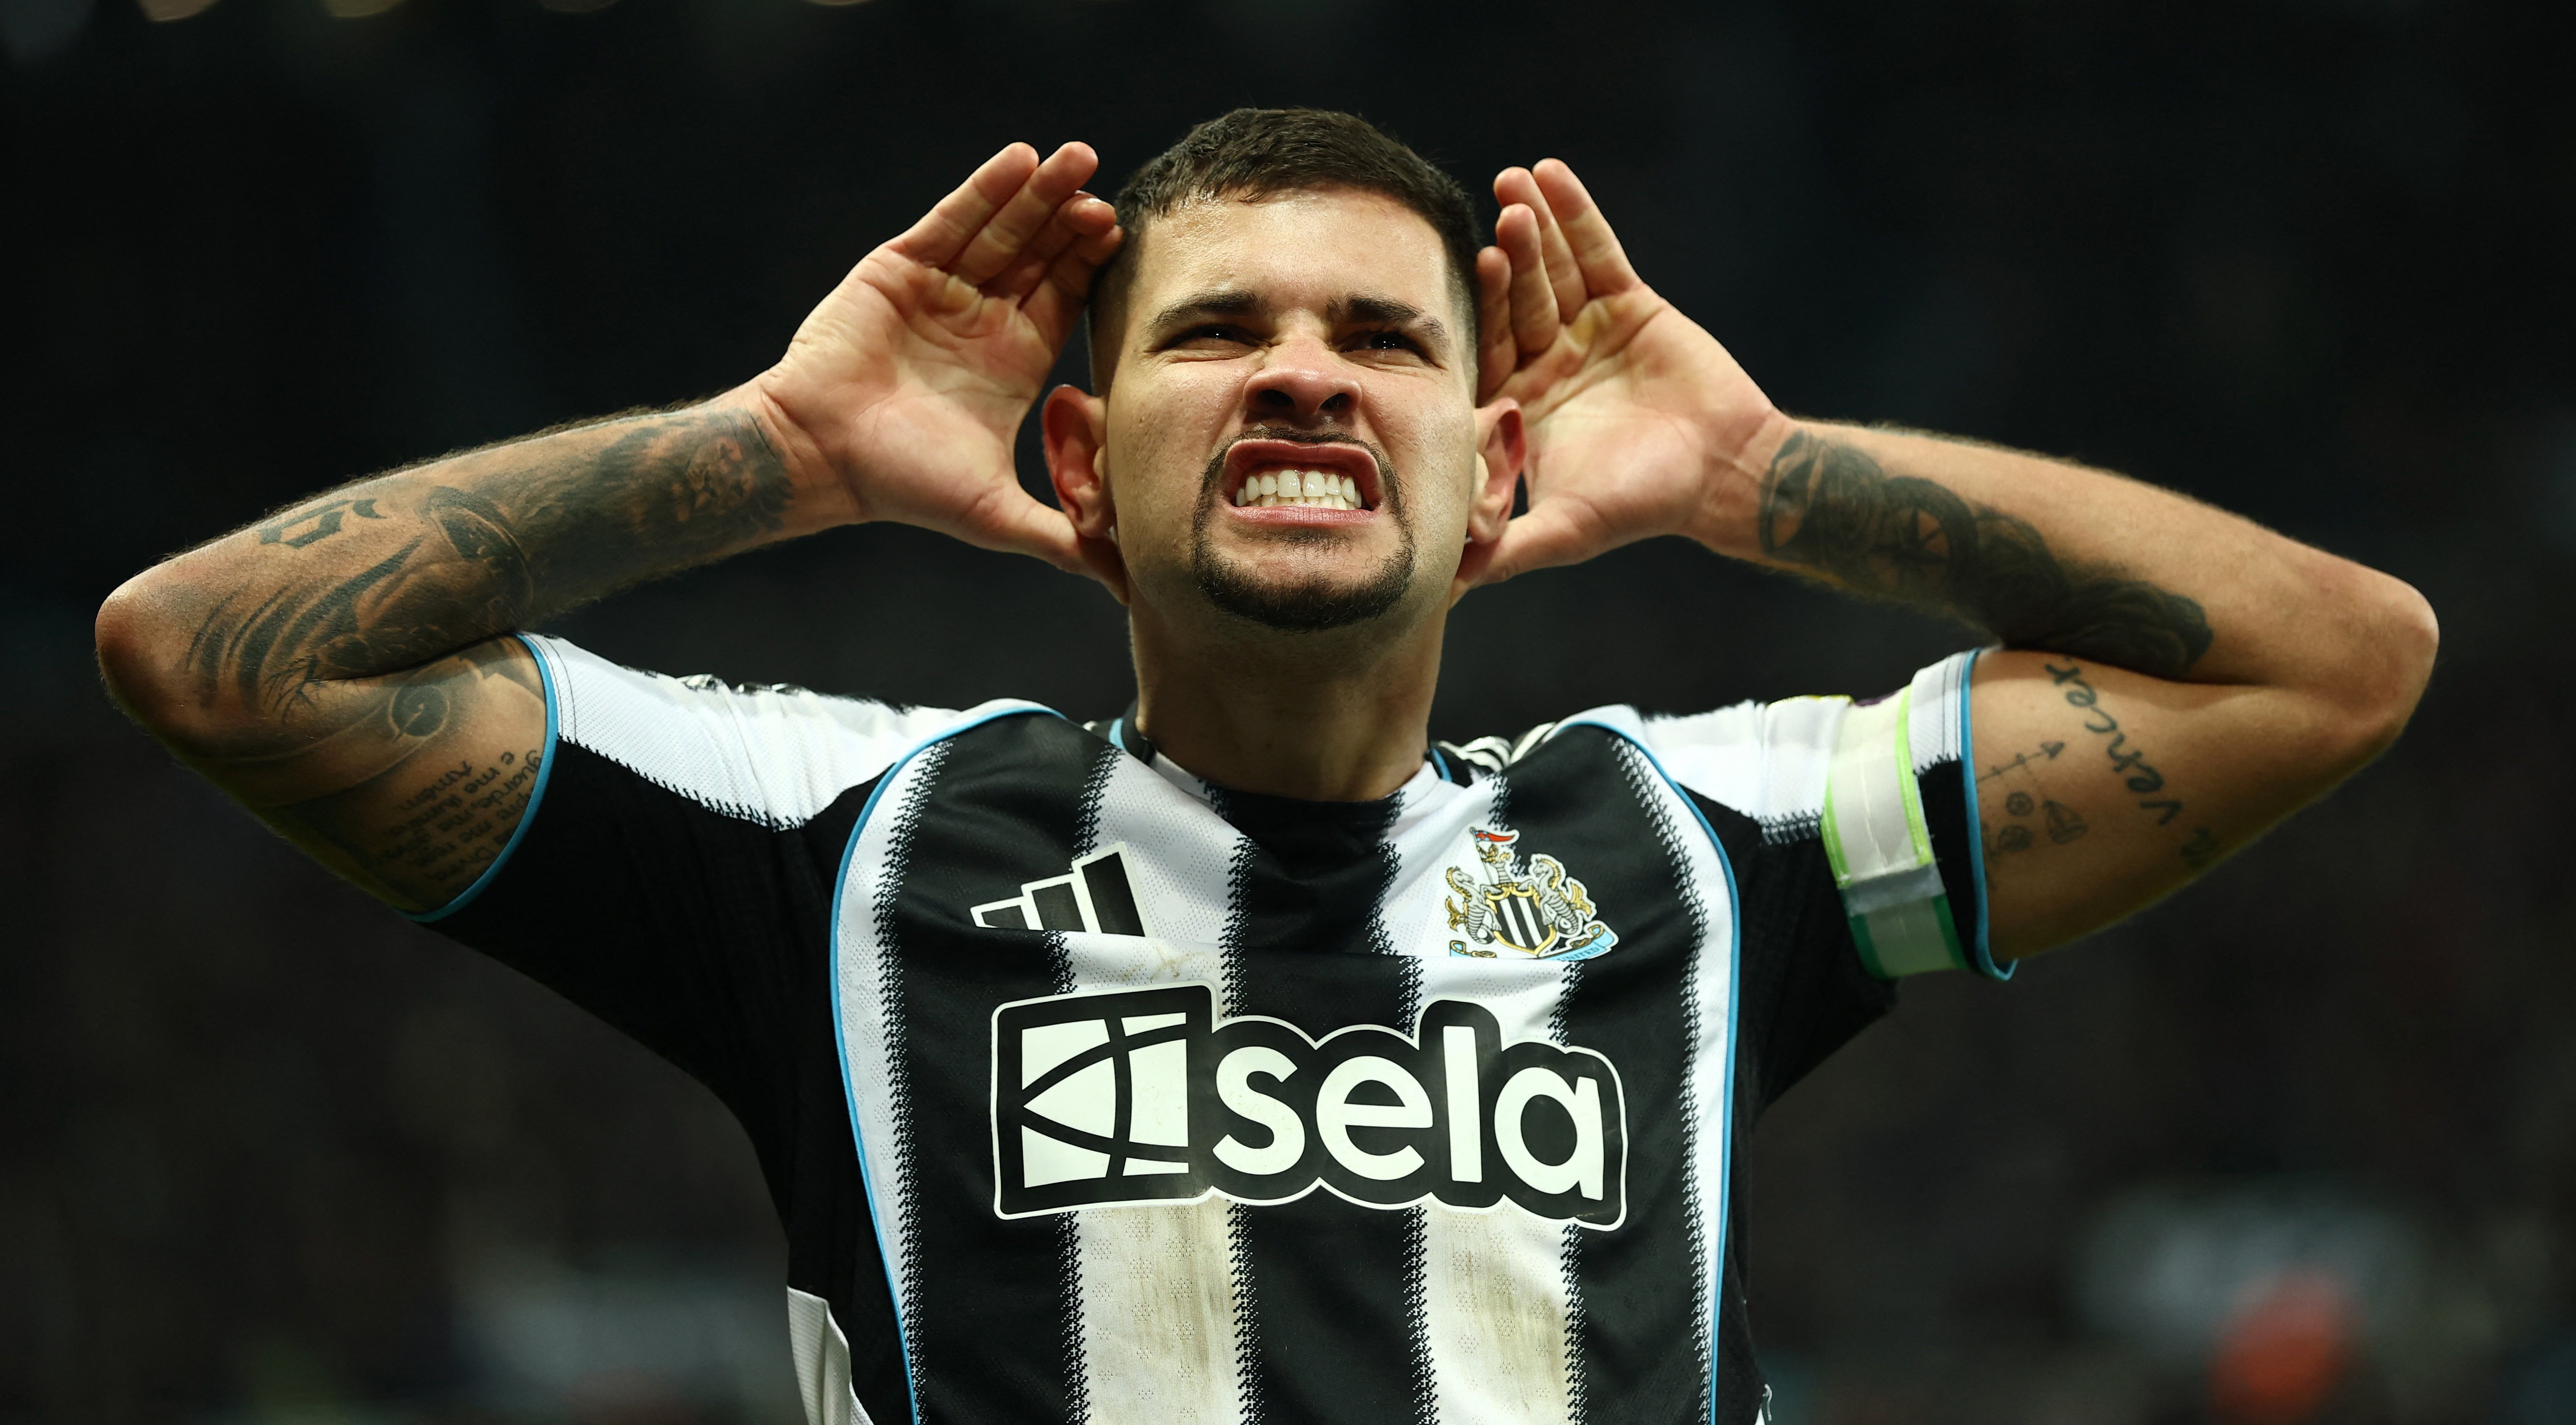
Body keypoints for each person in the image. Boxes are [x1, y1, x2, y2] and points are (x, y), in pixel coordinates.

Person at [95, 108, 2436, 1425]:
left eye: (1381, 342)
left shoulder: (1698, 858)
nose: (1304, 377)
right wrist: (772, 450)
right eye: (1221, 331)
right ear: (1085, 456)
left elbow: (2327, 667)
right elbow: (211, 657)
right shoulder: (844, 844)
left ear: (1493, 462)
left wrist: (1759, 475)